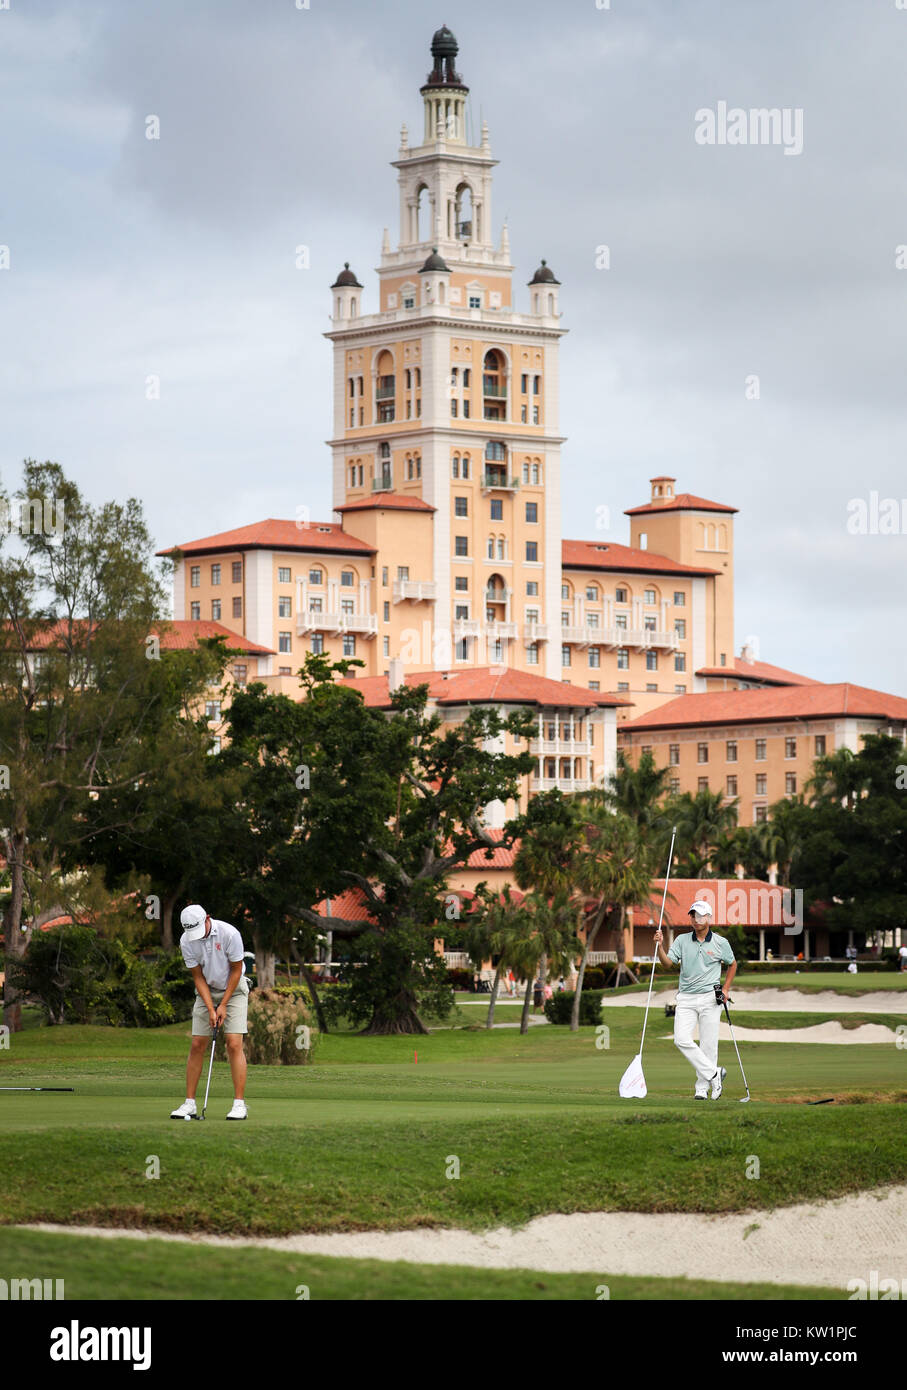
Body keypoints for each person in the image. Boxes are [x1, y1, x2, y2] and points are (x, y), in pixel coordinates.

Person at [170, 904, 250, 1121]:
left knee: (233, 1043)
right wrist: (210, 1007)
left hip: (234, 991)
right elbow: (197, 976)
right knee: (197, 1044)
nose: (196, 936)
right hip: (206, 990)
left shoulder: (230, 934)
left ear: (207, 918)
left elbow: (236, 971)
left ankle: (239, 1104)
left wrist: (223, 1005)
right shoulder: (186, 940)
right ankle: (189, 1104)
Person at [653, 899, 737, 1101]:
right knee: (680, 1039)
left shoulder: (720, 942)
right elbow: (667, 964)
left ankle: (702, 1089)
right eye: (693, 915)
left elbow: (732, 964)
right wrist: (660, 947)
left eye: (700, 915)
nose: (696, 919)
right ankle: (715, 1074)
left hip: (710, 997)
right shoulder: (682, 940)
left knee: (708, 1045)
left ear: (708, 918)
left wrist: (725, 989)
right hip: (686, 998)